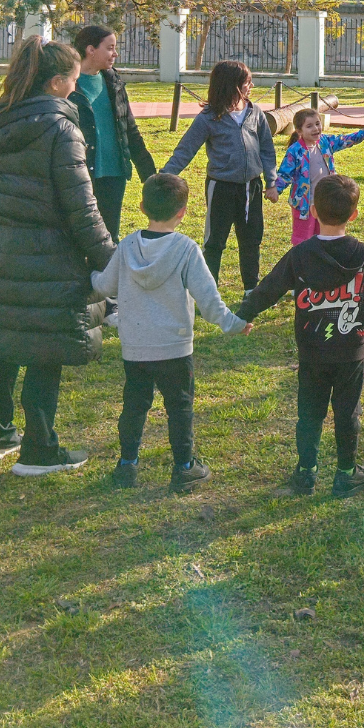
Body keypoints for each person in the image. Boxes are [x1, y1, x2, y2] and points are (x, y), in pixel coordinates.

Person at [0, 37, 115, 473]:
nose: (76, 85)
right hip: (49, 257)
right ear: (55, 82)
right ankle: (40, 449)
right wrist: (111, 260)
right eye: (72, 78)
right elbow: (82, 208)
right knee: (46, 349)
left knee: (3, 341)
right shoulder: (61, 129)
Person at [234, 174, 364, 498]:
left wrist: (240, 316)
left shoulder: (301, 254)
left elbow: (268, 289)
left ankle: (306, 473)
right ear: (354, 215)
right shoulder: (362, 254)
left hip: (312, 352)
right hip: (350, 352)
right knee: (347, 413)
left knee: (309, 413)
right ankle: (346, 475)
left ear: (312, 209)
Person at [90, 173, 252, 493]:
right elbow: (209, 301)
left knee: (134, 405)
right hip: (175, 347)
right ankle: (184, 467)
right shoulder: (186, 249)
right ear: (183, 211)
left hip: (135, 346)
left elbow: (104, 287)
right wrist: (234, 323)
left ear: (140, 206)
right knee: (179, 406)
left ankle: (126, 465)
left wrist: (87, 274)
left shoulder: (127, 246)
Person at [161, 60, 279, 292]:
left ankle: (250, 290)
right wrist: (165, 176)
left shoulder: (255, 112)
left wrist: (271, 181)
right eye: (247, 83)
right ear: (232, 86)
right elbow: (186, 149)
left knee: (251, 240)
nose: (251, 86)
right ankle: (209, 291)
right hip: (221, 188)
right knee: (214, 242)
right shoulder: (208, 117)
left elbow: (267, 149)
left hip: (251, 188)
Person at [70, 25, 156, 323]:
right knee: (77, 238)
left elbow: (129, 129)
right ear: (90, 49)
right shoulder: (67, 84)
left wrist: (150, 175)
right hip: (80, 175)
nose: (114, 53)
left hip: (114, 173)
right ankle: (78, 302)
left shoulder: (113, 81)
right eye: (109, 47)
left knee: (109, 239)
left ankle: (109, 305)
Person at [275, 107, 364, 244]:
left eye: (318, 124)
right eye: (309, 126)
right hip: (304, 205)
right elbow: (284, 174)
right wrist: (275, 189)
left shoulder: (326, 142)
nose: (315, 129)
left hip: (326, 201)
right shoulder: (295, 151)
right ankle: (302, 261)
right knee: (303, 238)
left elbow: (348, 140)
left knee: (325, 235)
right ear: (299, 131)